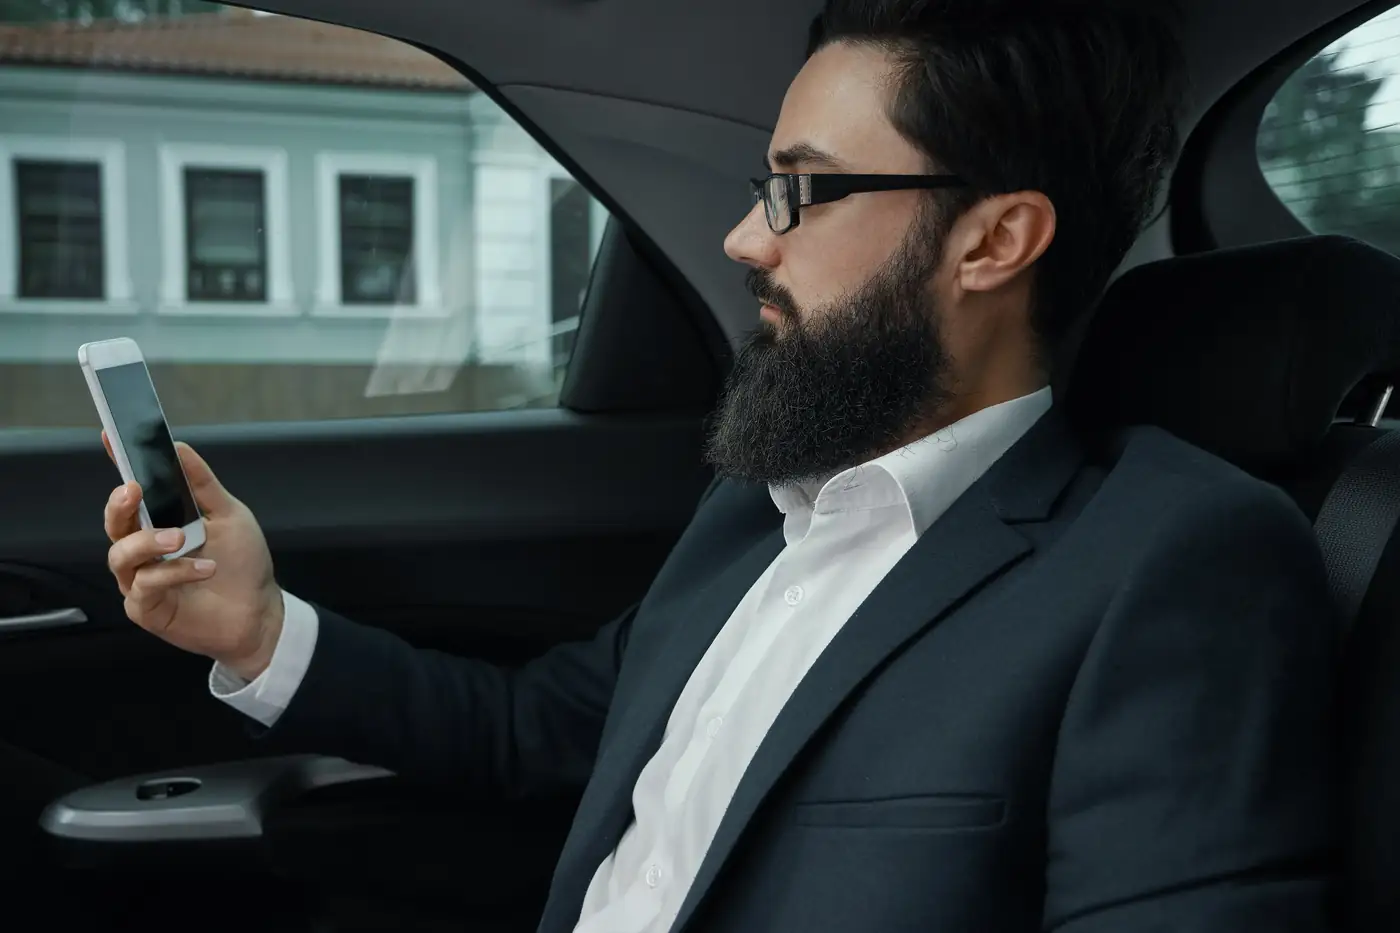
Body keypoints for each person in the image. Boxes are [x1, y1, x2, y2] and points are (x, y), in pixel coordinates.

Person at [103, 1, 1339, 930]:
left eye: (800, 191)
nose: (747, 236)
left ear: (993, 240)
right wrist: (258, 631)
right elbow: (540, 730)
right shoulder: (753, 515)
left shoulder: (1171, 562)